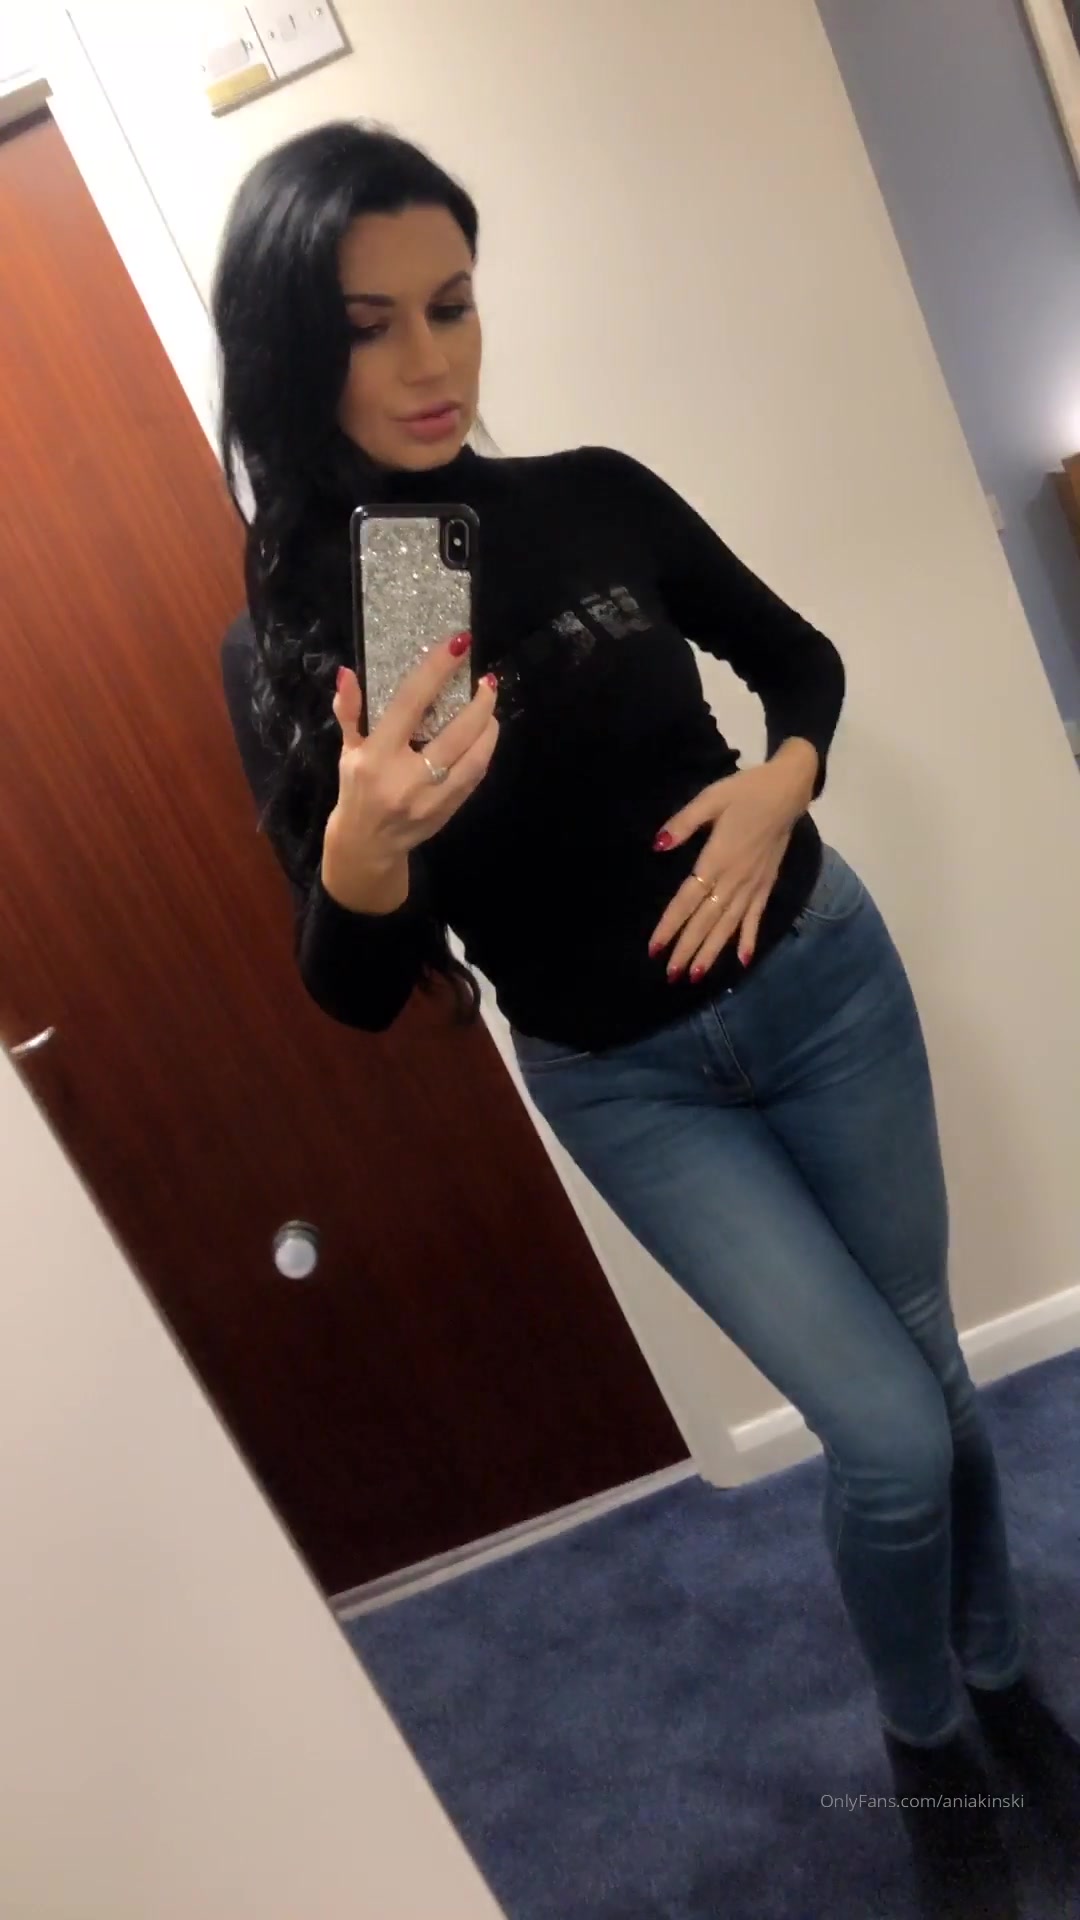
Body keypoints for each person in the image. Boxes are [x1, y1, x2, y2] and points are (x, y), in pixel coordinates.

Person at [215, 121, 1076, 1918]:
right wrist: (364, 848)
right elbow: (355, 989)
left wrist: (781, 783)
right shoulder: (298, 643)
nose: (433, 359)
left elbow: (799, 657)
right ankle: (930, 1739)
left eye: (454, 302)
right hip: (631, 1087)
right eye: (370, 325)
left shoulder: (591, 493)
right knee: (889, 1432)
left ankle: (1008, 1690)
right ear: (293, 348)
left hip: (825, 981)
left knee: (928, 1372)